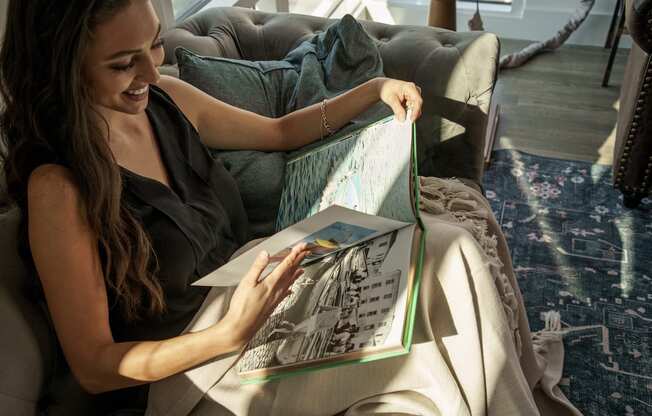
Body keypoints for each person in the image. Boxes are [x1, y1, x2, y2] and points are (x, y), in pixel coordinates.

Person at [0, 0, 424, 414]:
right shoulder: (57, 188)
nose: (151, 71)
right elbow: (94, 366)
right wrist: (228, 334)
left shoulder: (167, 99)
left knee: (439, 249)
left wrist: (374, 91)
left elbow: (280, 133)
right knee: (416, 350)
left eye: (155, 43)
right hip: (190, 371)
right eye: (123, 63)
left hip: (255, 298)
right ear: (63, 69)